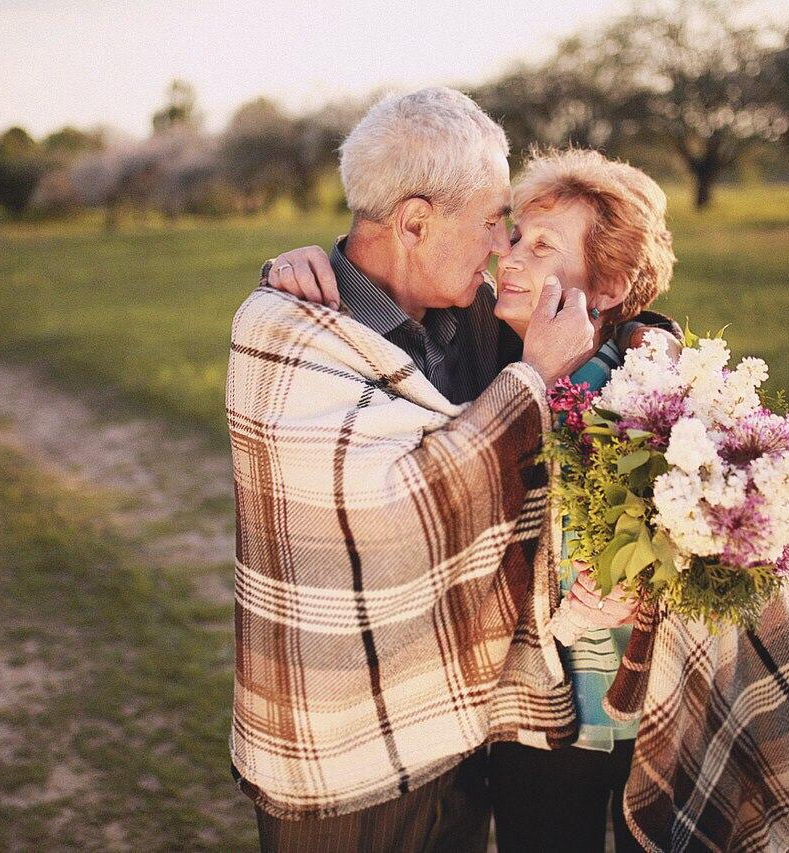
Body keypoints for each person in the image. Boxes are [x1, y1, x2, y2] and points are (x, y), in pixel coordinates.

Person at [266, 147, 682, 851]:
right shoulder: (493, 344)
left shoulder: (640, 395)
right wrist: (306, 262)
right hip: (514, 701)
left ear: (606, 286)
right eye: (514, 235)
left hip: (596, 699)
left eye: (542, 246)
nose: (509, 257)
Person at [226, 87, 600, 853]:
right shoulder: (283, 328)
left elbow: (602, 323)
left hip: (454, 730)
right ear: (416, 222)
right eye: (493, 220)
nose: (503, 244)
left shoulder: (470, 320)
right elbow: (401, 506)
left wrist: (650, 332)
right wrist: (530, 380)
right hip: (336, 761)